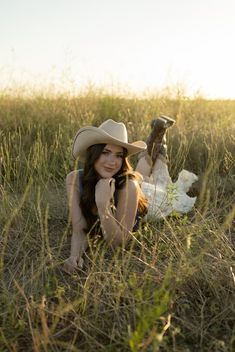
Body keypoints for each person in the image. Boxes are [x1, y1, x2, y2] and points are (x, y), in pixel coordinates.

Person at [63, 117, 198, 274]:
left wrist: (103, 206)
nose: (112, 162)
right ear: (93, 153)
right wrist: (74, 256)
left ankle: (161, 144)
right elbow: (80, 228)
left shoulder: (129, 186)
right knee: (139, 175)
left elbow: (118, 244)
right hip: (131, 181)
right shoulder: (74, 179)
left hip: (148, 198)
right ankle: (155, 139)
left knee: (160, 180)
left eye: (119, 155)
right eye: (105, 152)